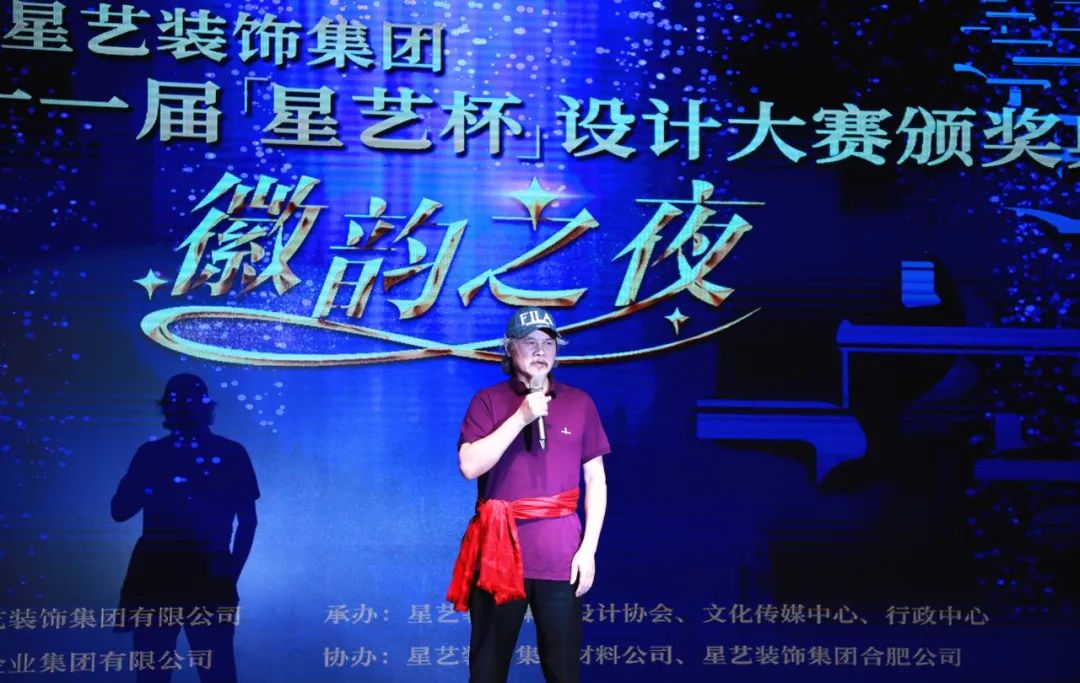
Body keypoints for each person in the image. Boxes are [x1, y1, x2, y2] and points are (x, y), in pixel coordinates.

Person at [447, 306, 610, 683]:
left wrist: (588, 549)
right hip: (498, 556)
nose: (540, 351)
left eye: (548, 343)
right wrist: (521, 416)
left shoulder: (579, 402)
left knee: (563, 669)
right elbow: (469, 466)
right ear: (509, 348)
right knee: (487, 669)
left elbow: (596, 480)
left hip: (561, 556)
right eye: (529, 342)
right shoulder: (487, 401)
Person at [112, 374, 259, 683]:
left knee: (157, 673)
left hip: (159, 574)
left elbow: (120, 510)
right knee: (215, 671)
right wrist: (231, 572)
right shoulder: (230, 452)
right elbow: (247, 521)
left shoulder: (152, 454)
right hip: (197, 573)